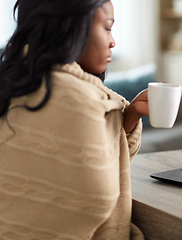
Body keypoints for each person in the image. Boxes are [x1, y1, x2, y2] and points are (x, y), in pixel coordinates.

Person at [0, 0, 148, 239]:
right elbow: (96, 190)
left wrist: (129, 117)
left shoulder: (15, 81)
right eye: (107, 28)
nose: (113, 41)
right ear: (70, 26)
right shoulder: (81, 99)